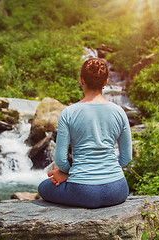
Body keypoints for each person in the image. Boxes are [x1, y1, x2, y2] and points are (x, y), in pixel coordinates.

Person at [38, 58, 132, 208]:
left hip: (82, 191)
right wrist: (108, 171)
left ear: (81, 80)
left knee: (43, 188)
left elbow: (61, 160)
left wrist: (67, 174)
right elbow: (126, 157)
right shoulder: (119, 112)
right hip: (118, 190)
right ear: (106, 82)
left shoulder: (69, 113)